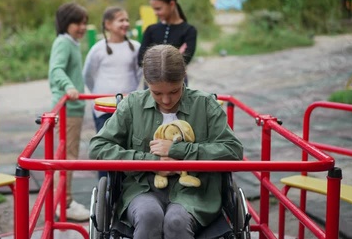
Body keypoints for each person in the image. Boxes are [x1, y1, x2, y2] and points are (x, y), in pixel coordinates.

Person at [89, 44, 243, 238]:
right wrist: (151, 162)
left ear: (183, 76)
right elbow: (97, 147)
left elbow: (233, 150)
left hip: (195, 192)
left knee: (176, 221)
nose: (166, 100)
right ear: (146, 81)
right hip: (142, 189)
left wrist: (179, 150)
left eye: (174, 91)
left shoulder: (205, 105)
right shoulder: (132, 105)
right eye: (157, 93)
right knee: (148, 215)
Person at [83, 6, 142, 179]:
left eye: (127, 20)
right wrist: (99, 93)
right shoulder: (98, 49)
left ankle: (126, 184)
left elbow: (139, 72)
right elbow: (88, 74)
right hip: (104, 108)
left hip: (128, 106)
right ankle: (105, 184)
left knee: (128, 146)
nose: (125, 24)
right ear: (108, 24)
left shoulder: (135, 47)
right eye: (120, 20)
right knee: (105, 145)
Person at [48, 2, 90, 221]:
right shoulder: (64, 42)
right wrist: (69, 87)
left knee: (67, 153)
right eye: (77, 23)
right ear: (66, 23)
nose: (82, 27)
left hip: (74, 107)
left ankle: (63, 200)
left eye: (84, 22)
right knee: (67, 155)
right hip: (68, 107)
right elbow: (56, 69)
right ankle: (63, 203)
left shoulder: (72, 42)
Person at [138, 0, 197, 86]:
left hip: (177, 85)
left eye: (158, 9)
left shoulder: (189, 31)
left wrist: (153, 59)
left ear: (172, 4)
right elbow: (140, 60)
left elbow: (185, 61)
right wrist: (176, 56)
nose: (155, 13)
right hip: (151, 86)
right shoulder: (151, 30)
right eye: (154, 9)